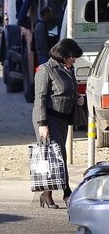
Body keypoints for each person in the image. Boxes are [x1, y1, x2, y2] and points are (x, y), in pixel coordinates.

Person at [33, 37, 84, 208]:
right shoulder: (45, 70)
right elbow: (39, 98)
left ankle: (46, 194)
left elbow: (68, 90)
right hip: (48, 118)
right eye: (72, 57)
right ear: (63, 55)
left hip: (63, 118)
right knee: (59, 156)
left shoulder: (69, 69)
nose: (74, 60)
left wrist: (77, 98)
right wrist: (42, 124)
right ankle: (67, 192)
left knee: (54, 157)